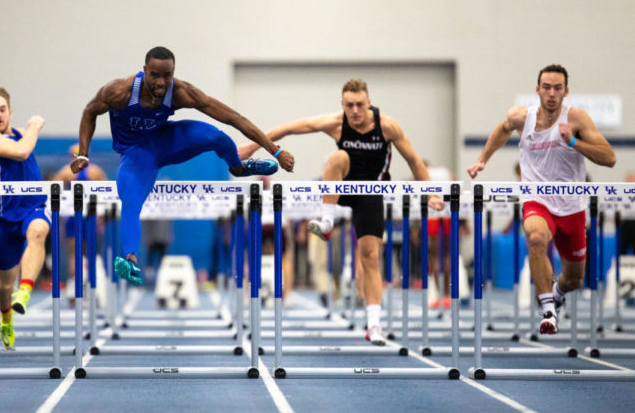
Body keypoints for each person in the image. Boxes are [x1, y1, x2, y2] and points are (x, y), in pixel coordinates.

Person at [242, 79, 444, 345]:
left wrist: (430, 191)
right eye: (350, 105)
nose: (355, 110)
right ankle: (327, 219)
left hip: (370, 194)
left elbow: (414, 160)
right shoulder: (336, 123)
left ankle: (374, 325)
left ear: (369, 102)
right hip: (340, 188)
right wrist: (254, 147)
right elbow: (290, 127)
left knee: (370, 258)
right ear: (343, 105)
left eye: (360, 104)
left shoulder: (387, 126)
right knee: (336, 158)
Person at [72, 46, 294, 286]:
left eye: (167, 75)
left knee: (216, 136)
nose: (161, 82)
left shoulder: (181, 92)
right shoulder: (119, 92)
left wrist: (275, 149)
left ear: (173, 72)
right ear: (144, 70)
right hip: (137, 155)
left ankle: (237, 167)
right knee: (131, 201)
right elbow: (89, 112)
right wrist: (84, 154)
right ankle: (130, 260)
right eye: (155, 75)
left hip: (168, 140)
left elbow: (234, 118)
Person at [468, 64, 616, 334]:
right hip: (537, 198)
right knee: (535, 238)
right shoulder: (522, 118)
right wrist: (481, 161)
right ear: (537, 90)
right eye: (546, 87)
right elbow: (502, 130)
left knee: (574, 279)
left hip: (572, 206)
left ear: (565, 91)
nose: (551, 93)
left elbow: (610, 159)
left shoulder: (577, 119)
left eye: (557, 88)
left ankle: (558, 293)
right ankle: (548, 309)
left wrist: (573, 143)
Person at [0, 86, 49, 349]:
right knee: (3, 285)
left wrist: (28, 130)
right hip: (6, 218)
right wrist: (35, 126)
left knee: (38, 233)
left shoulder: (20, 134)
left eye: (2, 109)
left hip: (34, 207)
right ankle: (6, 319)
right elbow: (21, 152)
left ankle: (26, 291)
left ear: (10, 111)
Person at [53, 145, 106, 298]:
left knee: (73, 254)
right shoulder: (95, 171)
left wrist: (60, 222)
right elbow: (106, 195)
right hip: (89, 216)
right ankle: (91, 286)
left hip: (72, 216)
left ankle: (73, 287)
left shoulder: (65, 172)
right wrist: (101, 218)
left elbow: (54, 195)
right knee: (90, 254)